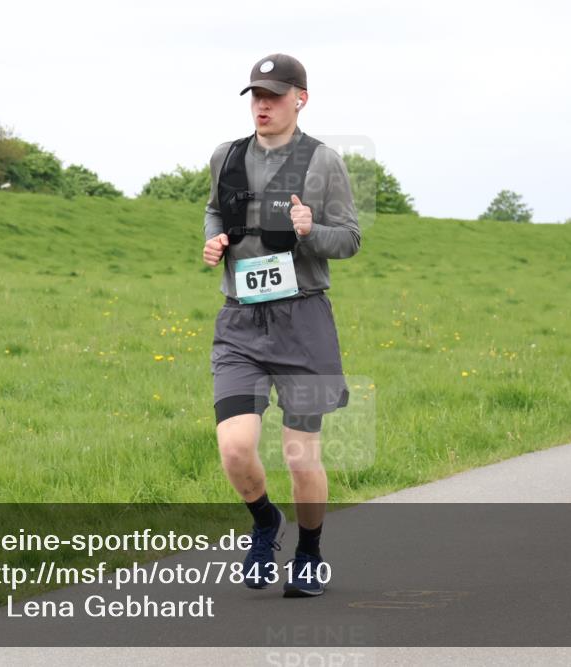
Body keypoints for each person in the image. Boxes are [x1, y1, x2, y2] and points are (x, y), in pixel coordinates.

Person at [202, 53, 361, 597]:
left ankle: (310, 551)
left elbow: (350, 239)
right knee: (235, 448)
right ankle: (265, 521)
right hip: (239, 322)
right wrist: (213, 240)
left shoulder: (324, 162)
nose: (262, 105)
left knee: (300, 456)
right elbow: (214, 211)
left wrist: (312, 229)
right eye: (255, 96)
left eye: (273, 95)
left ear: (301, 98)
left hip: (304, 322)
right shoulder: (226, 156)